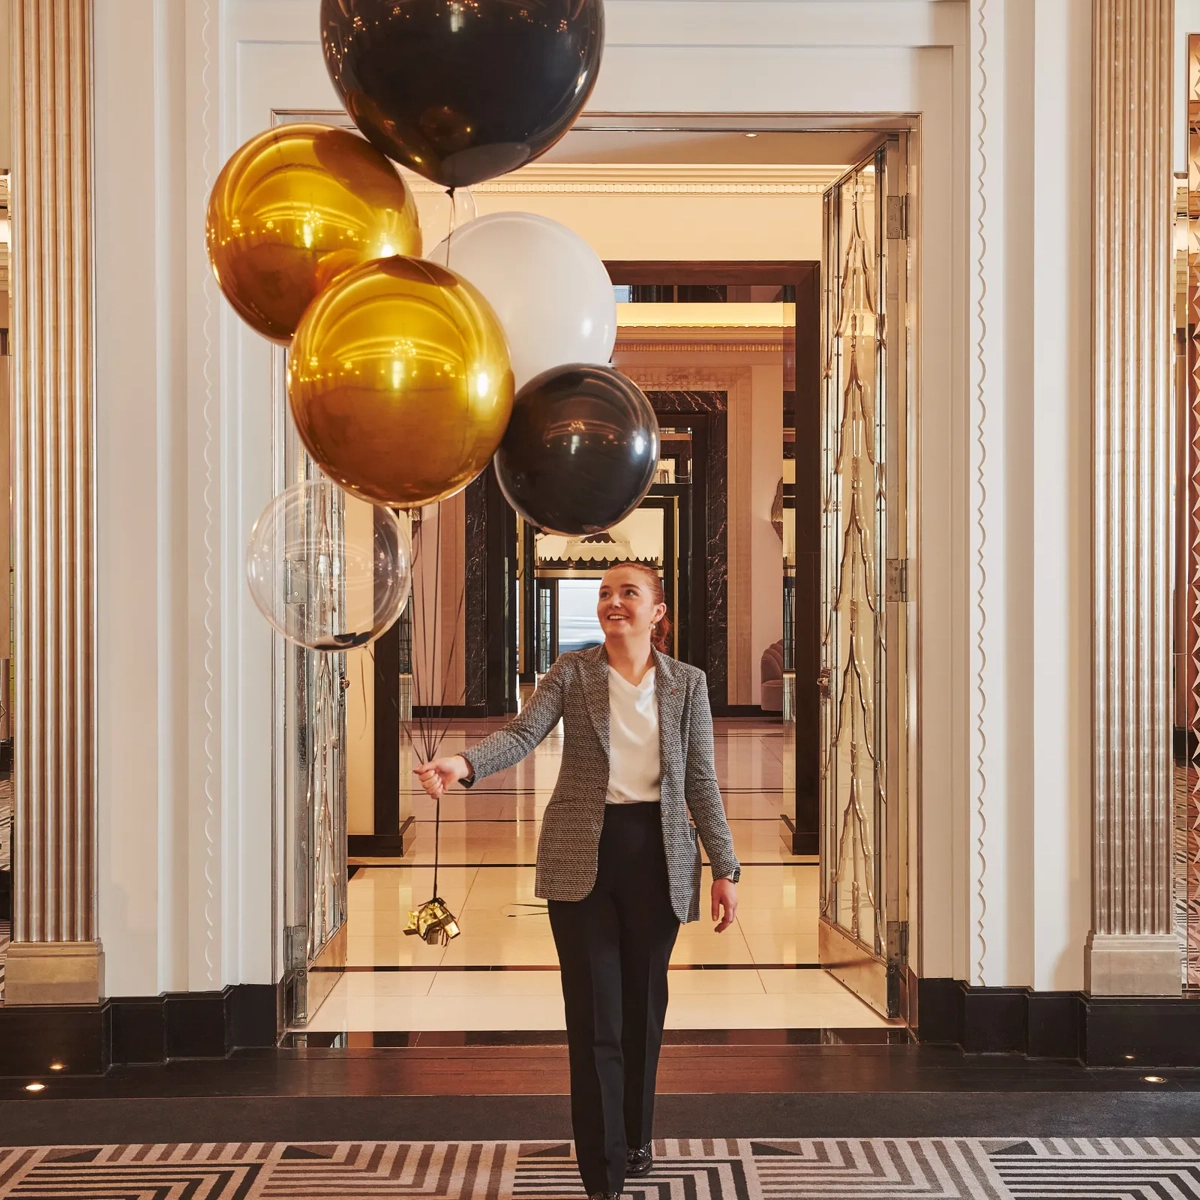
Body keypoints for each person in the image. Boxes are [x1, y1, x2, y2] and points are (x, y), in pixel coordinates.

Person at [416, 562, 741, 1200]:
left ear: (657, 611)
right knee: (595, 1014)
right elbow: (520, 735)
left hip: (660, 856)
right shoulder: (571, 672)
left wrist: (725, 867)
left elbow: (701, 781)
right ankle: (603, 1167)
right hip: (581, 858)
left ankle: (636, 1132)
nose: (613, 602)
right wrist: (463, 763)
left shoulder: (688, 684)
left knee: (643, 1011)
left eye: (629, 593)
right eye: (605, 594)